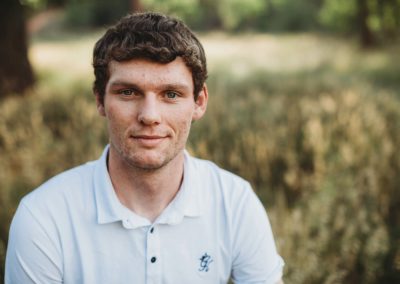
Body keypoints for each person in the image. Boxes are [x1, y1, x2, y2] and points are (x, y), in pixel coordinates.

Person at [5, 12, 284, 284]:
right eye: (128, 92)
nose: (149, 115)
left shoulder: (235, 203)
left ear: (199, 102)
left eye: (171, 94)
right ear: (100, 100)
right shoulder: (43, 217)